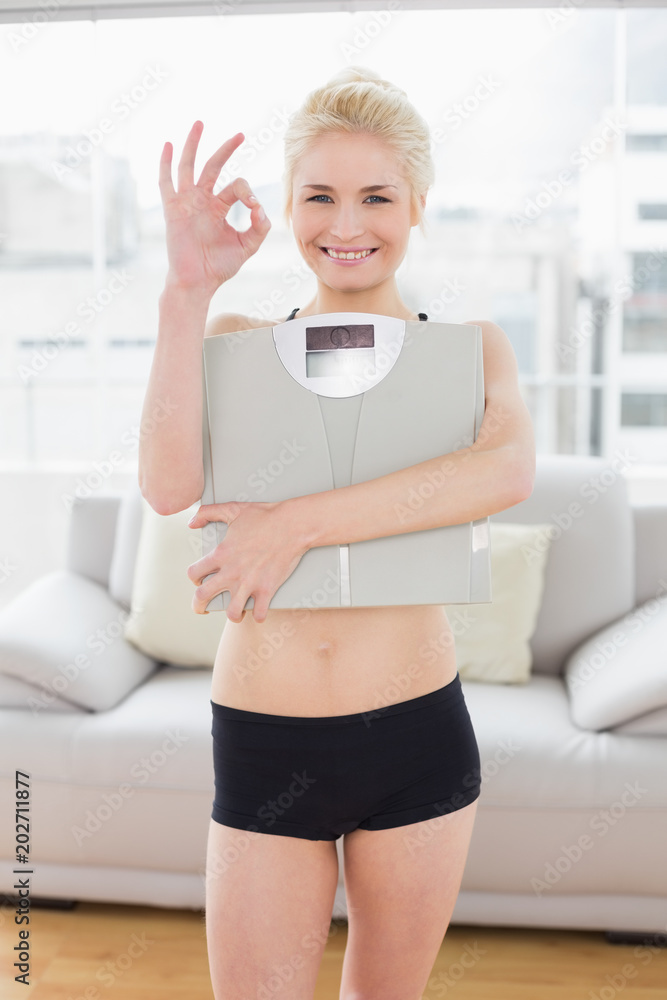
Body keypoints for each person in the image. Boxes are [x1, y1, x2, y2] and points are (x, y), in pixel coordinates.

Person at [141, 65, 535, 1000]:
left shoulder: (469, 348)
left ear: (418, 206)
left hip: (415, 739)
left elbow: (503, 472)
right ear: (285, 206)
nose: (346, 224)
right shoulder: (233, 337)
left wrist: (294, 527)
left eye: (376, 197)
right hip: (264, 739)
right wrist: (183, 292)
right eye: (319, 196)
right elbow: (168, 485)